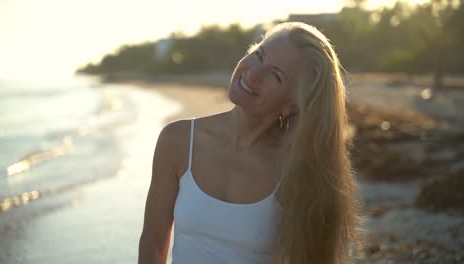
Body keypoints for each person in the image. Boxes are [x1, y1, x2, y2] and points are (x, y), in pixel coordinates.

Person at [138, 22, 362, 264]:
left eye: (275, 75)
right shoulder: (178, 140)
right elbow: (153, 243)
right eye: (258, 55)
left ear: (292, 104)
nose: (253, 74)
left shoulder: (298, 169)